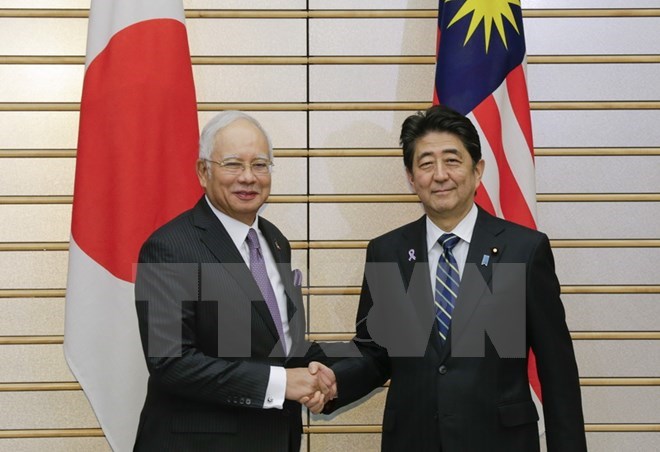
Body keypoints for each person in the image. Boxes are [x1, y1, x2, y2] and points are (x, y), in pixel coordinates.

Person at [324, 105, 587, 451]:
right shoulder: (387, 252)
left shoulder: (524, 250)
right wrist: (330, 380)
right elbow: (376, 353)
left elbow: (558, 371)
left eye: (452, 160)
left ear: (477, 170)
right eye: (426, 163)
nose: (440, 174)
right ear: (410, 176)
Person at [133, 111, 336, 451]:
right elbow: (171, 362)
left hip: (274, 438)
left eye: (260, 164)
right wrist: (282, 382)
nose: (248, 177)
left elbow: (276, 343)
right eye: (232, 164)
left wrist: (321, 377)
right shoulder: (169, 247)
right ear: (203, 171)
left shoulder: (275, 241)